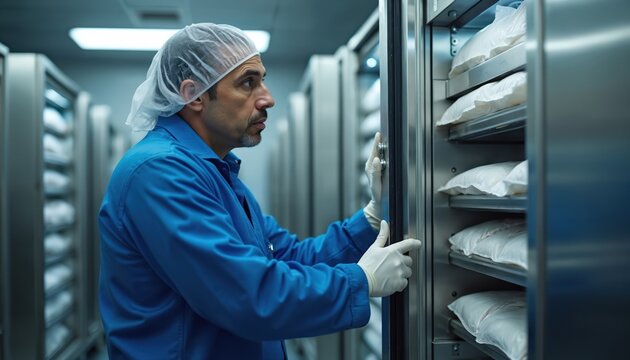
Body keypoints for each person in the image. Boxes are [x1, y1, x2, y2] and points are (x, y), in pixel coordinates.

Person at [98, 23, 422, 359]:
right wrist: (360, 281)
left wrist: (370, 216)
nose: (267, 98)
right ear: (193, 94)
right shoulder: (159, 173)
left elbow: (288, 258)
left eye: (263, 80)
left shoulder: (216, 171)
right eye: (247, 83)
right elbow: (247, 296)